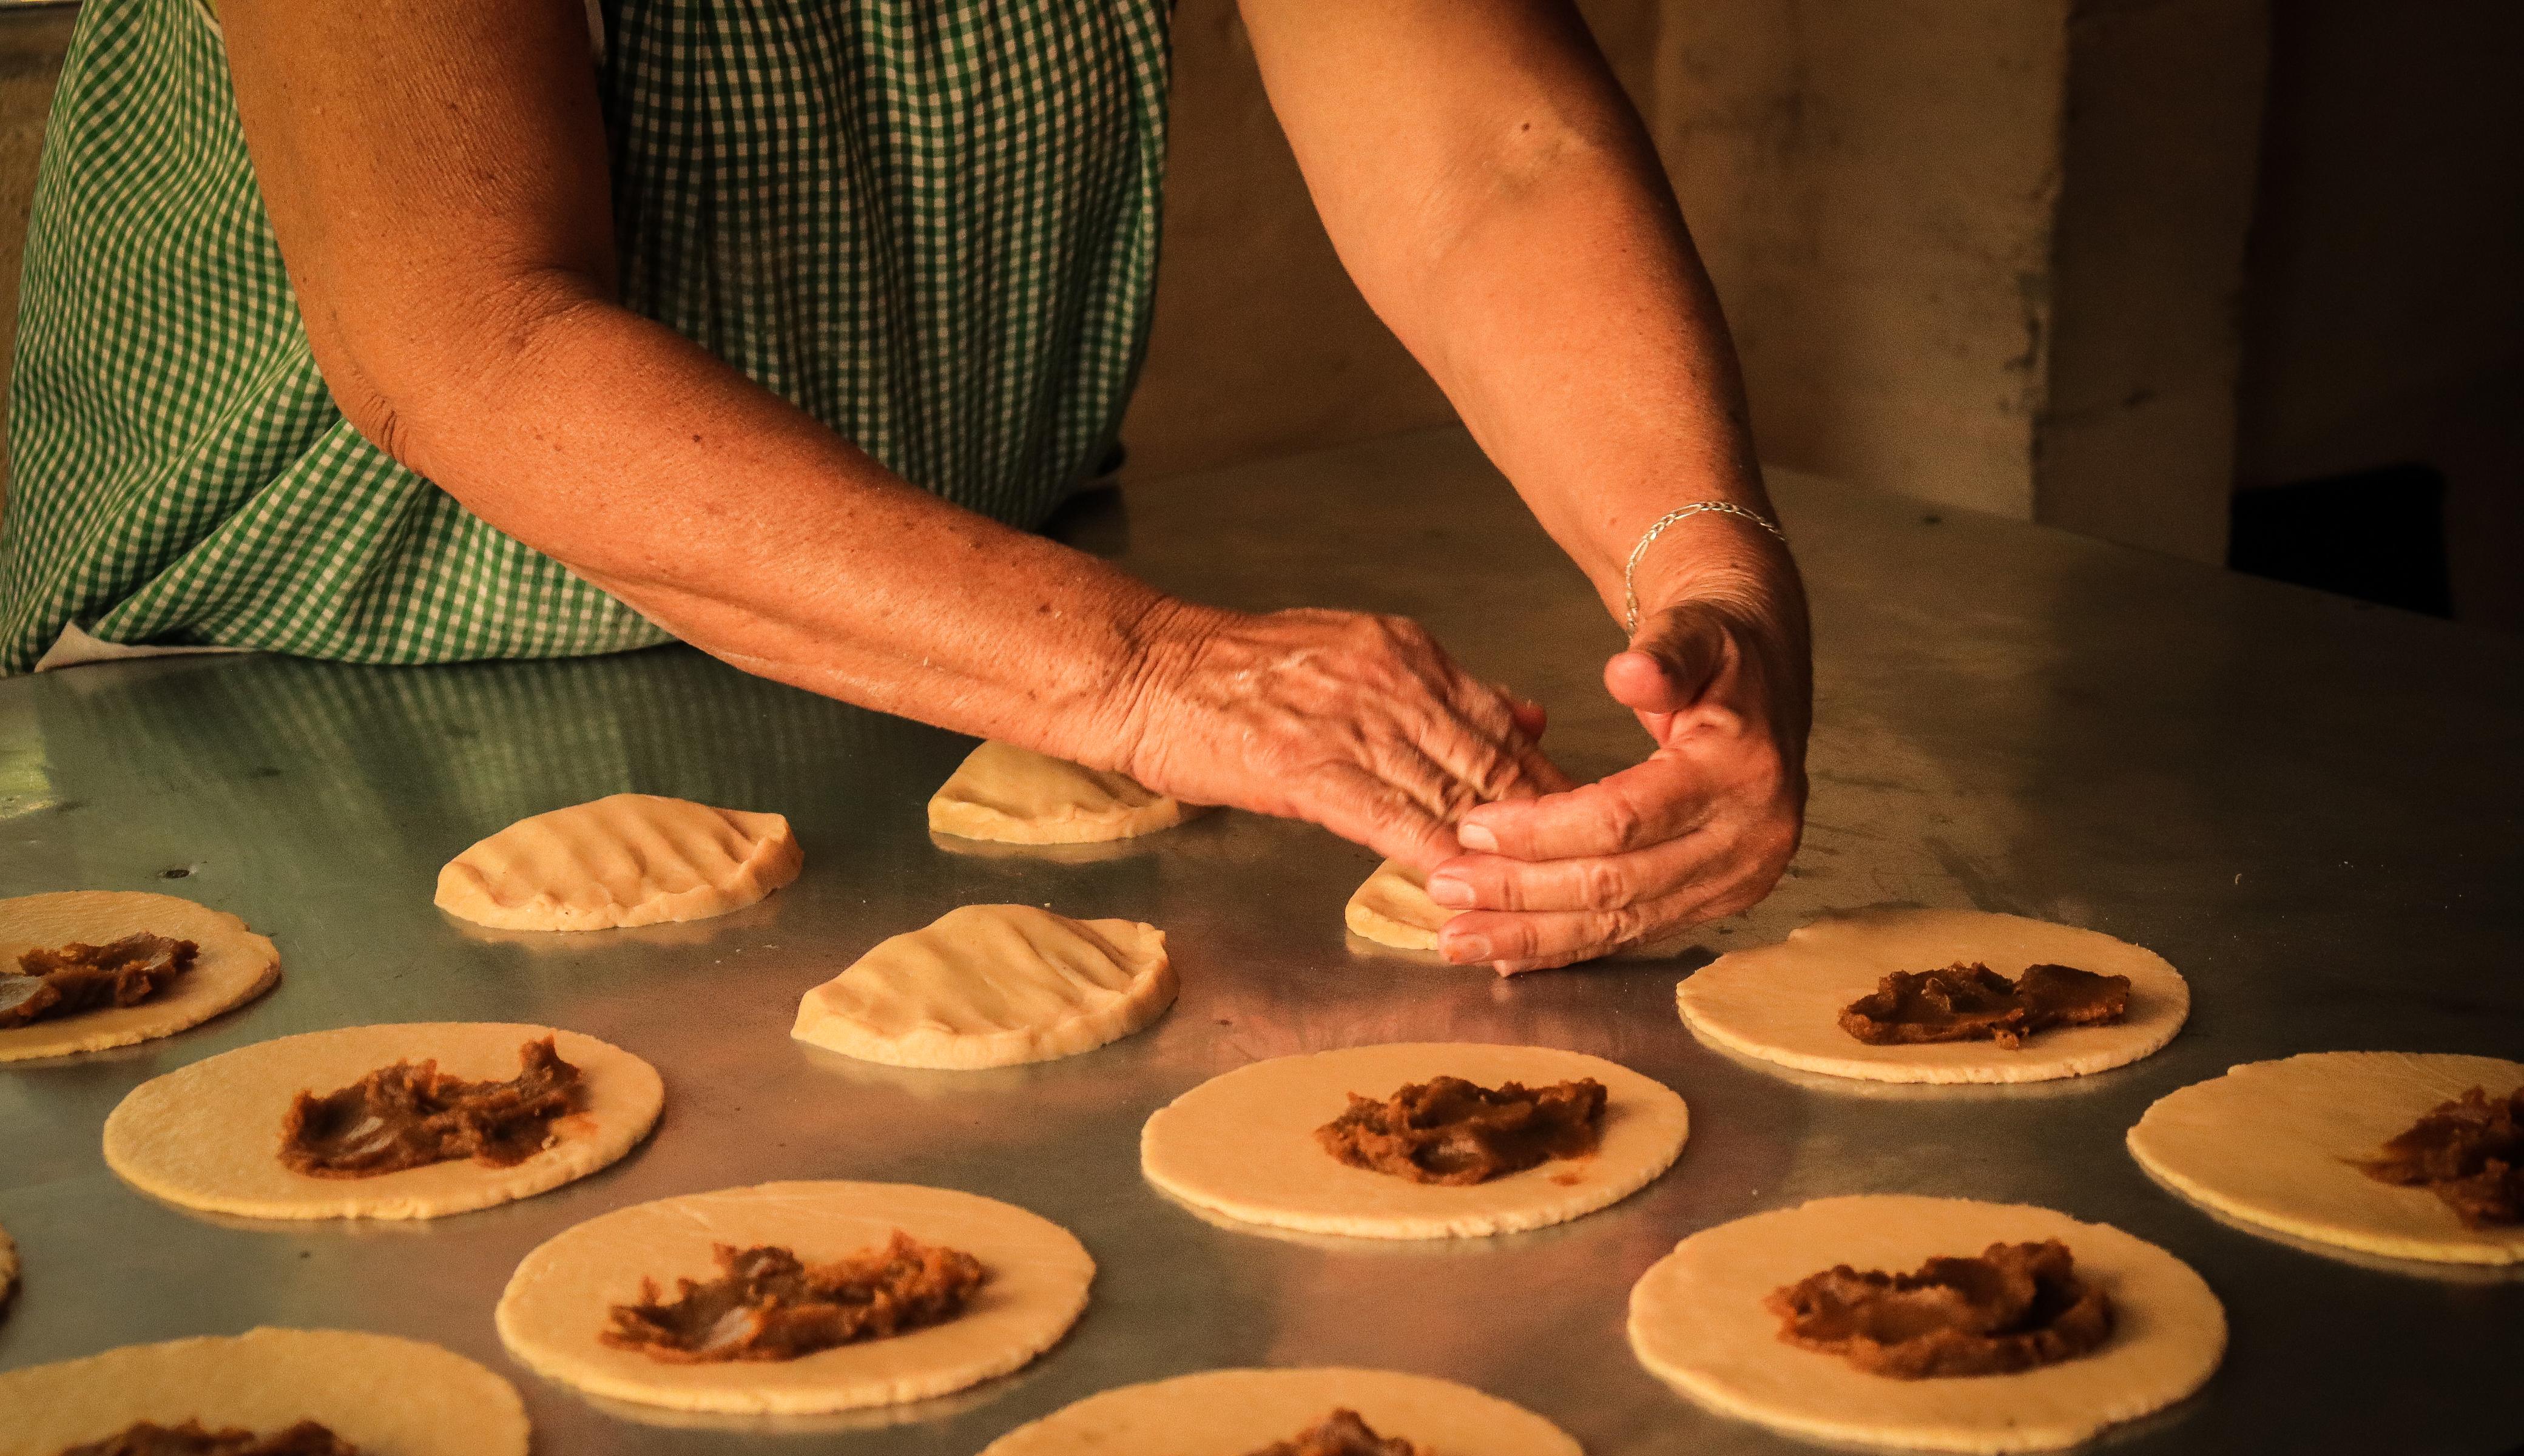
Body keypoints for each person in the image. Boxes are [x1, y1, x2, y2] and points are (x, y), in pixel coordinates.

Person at [0, 0, 1807, 974]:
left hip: (943, 658)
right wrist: (1158, 671)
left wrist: (1703, 565)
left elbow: (1497, 158)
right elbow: (464, 336)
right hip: (278, 698)